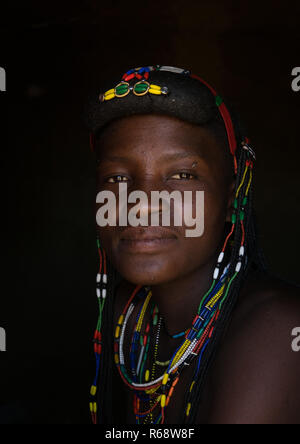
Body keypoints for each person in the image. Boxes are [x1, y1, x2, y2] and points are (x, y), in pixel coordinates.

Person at [85, 65, 300, 424]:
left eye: (182, 176)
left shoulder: (277, 332)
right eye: (117, 177)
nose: (141, 203)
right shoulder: (131, 318)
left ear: (233, 199)